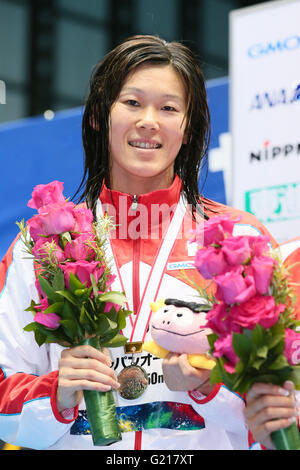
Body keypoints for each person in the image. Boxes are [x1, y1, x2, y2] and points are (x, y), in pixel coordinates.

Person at [0, 35, 277, 450]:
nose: (149, 120)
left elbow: (279, 403)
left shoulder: (237, 243)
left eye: (168, 108)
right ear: (98, 115)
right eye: (132, 102)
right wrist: (56, 392)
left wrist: (211, 386)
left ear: (189, 126)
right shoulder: (42, 247)